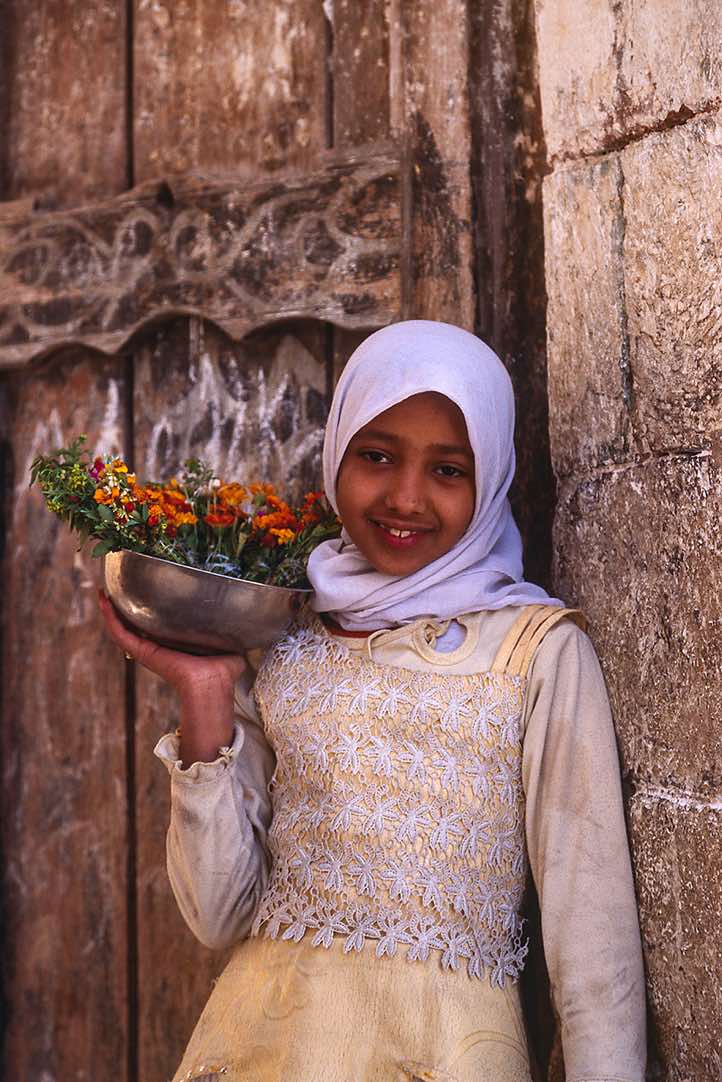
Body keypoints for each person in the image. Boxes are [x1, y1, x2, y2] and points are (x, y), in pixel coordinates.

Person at [99, 320, 646, 1082]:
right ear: (338, 453)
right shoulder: (289, 638)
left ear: (490, 481)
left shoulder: (537, 652)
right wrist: (206, 693)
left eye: (449, 470)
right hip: (261, 1046)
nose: (406, 498)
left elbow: (594, 944)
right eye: (377, 455)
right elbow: (220, 915)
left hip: (439, 1055)